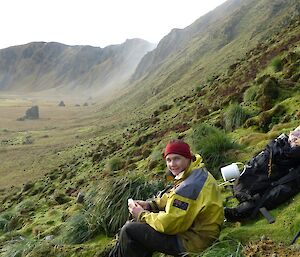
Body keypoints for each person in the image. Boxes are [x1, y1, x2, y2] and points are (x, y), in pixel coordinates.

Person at [109, 139, 224, 257]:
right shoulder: (197, 172)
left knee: (129, 230)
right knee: (136, 227)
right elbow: (172, 195)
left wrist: (142, 214)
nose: (172, 164)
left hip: (195, 243)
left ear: (188, 158)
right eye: (168, 160)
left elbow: (169, 225)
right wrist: (151, 205)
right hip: (203, 232)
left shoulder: (189, 186)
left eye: (177, 158)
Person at [224, 125, 300, 222]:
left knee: (282, 185)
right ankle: (245, 195)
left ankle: (243, 209)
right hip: (278, 157)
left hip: (286, 164)